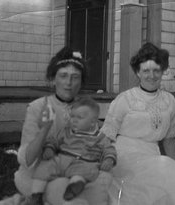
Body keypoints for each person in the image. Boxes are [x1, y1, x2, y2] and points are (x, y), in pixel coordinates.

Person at [99, 42, 175, 205]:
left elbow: (169, 139)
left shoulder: (169, 100)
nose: (151, 75)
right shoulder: (125, 98)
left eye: (156, 70)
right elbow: (107, 134)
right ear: (138, 72)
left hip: (152, 156)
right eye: (145, 71)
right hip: (124, 156)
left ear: (162, 71)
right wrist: (100, 162)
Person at [14, 46, 113, 205]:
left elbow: (98, 140)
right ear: (53, 79)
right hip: (39, 173)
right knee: (72, 197)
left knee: (105, 181)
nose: (68, 83)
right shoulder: (38, 107)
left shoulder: (85, 108)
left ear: (81, 82)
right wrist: (45, 128)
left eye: (75, 77)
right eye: (63, 76)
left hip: (75, 170)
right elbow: (27, 159)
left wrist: (105, 156)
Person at [26, 97, 117, 204]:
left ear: (93, 122)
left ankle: (74, 186)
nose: (74, 120)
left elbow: (109, 149)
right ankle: (36, 195)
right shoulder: (66, 131)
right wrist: (49, 148)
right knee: (45, 166)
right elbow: (54, 140)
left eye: (79, 117)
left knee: (85, 171)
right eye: (72, 116)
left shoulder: (99, 137)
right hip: (62, 159)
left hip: (84, 162)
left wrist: (109, 160)